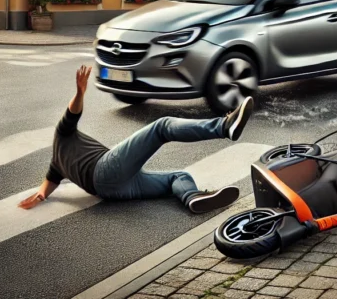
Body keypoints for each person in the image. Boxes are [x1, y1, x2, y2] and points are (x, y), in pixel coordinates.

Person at [18, 66, 253, 213]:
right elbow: (73, 112)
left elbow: (45, 188)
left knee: (178, 176)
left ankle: (192, 198)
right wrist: (80, 93)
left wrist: (37, 199)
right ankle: (224, 126)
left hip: (113, 191)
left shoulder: (55, 166)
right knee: (161, 127)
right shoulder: (62, 133)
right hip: (107, 169)